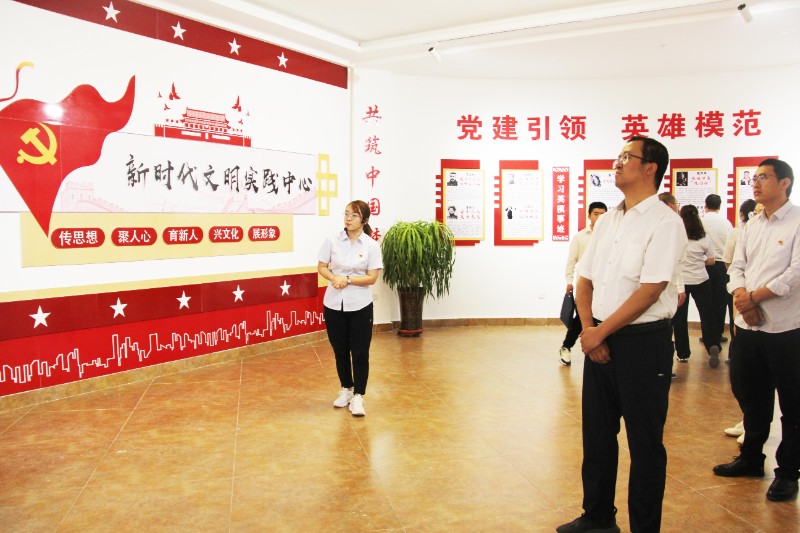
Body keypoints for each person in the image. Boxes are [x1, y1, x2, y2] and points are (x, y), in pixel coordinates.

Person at [557, 136, 687, 533]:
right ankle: (597, 517)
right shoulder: (609, 220)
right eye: (617, 156)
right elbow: (585, 279)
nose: (616, 163)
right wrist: (590, 330)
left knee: (645, 443)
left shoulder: (665, 222)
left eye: (626, 157)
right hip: (600, 335)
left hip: (643, 344)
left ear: (650, 168)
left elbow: (651, 289)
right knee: (597, 435)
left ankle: (644, 527)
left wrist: (600, 333)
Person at [713, 159, 800, 503]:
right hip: (748, 326)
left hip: (787, 328)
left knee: (793, 403)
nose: (756, 183)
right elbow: (736, 266)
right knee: (750, 395)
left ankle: (788, 473)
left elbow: (796, 273)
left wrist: (755, 298)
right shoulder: (750, 225)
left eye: (764, 177)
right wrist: (742, 297)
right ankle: (751, 458)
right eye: (755, 177)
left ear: (785, 183)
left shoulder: (797, 221)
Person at [317, 200, 383, 417]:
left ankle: (358, 396)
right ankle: (346, 388)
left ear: (364, 220)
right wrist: (333, 278)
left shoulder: (371, 246)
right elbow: (321, 267)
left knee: (360, 352)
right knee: (340, 351)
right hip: (333, 304)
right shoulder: (332, 240)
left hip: (360, 305)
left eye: (354, 216)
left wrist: (347, 279)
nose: (348, 219)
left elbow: (372, 277)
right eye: (346, 214)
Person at [559, 201, 608, 366]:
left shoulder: (611, 237)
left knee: (603, 317)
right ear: (589, 216)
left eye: (603, 214)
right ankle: (566, 346)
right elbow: (571, 261)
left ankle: (601, 349)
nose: (599, 217)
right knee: (581, 319)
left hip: (604, 286)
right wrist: (569, 281)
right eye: (596, 214)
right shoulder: (580, 237)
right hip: (585, 287)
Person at [672, 205, 720, 366]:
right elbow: (711, 260)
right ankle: (713, 345)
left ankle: (683, 353)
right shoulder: (703, 237)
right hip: (701, 280)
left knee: (680, 319)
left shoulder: (677, 237)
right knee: (707, 316)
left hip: (681, 283)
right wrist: (700, 260)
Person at [700, 194, 733, 346]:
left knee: (705, 302)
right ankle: (718, 334)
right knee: (720, 301)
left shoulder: (701, 221)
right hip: (721, 266)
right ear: (719, 206)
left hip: (704, 264)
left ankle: (707, 335)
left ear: (705, 205)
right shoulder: (726, 223)